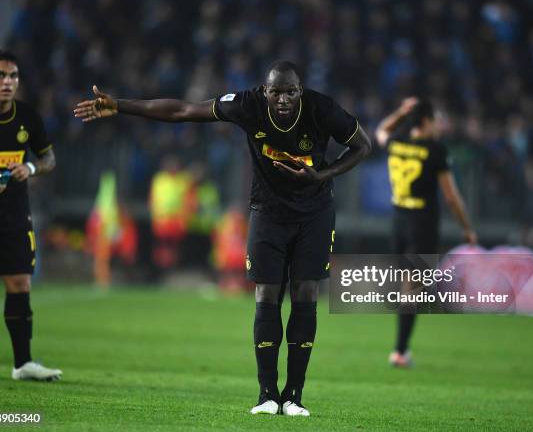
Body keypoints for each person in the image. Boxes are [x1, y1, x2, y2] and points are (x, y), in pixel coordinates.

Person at [74, 61, 372, 416]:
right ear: (265, 91)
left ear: (300, 92)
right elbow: (182, 110)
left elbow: (362, 146)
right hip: (268, 213)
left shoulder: (323, 109)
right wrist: (120, 105)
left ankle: (294, 395)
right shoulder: (247, 105)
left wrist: (322, 175)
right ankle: (266, 395)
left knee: (306, 292)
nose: (282, 100)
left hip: (315, 214)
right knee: (266, 292)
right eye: (275, 92)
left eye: (289, 92)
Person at [0, 50, 62, 381]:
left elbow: (49, 159)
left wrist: (30, 167)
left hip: (14, 215)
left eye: (13, 77)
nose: (7, 82)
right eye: (0, 76)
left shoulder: (28, 118)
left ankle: (23, 364)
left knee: (20, 283)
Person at [375, 97, 477, 368]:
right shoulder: (435, 150)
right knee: (412, 289)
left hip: (397, 223)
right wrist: (467, 228)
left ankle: (400, 348)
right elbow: (452, 197)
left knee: (407, 286)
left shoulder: (397, 144)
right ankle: (399, 351)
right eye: (436, 120)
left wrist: (399, 111)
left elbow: (380, 131)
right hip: (422, 225)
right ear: (426, 122)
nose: (440, 125)